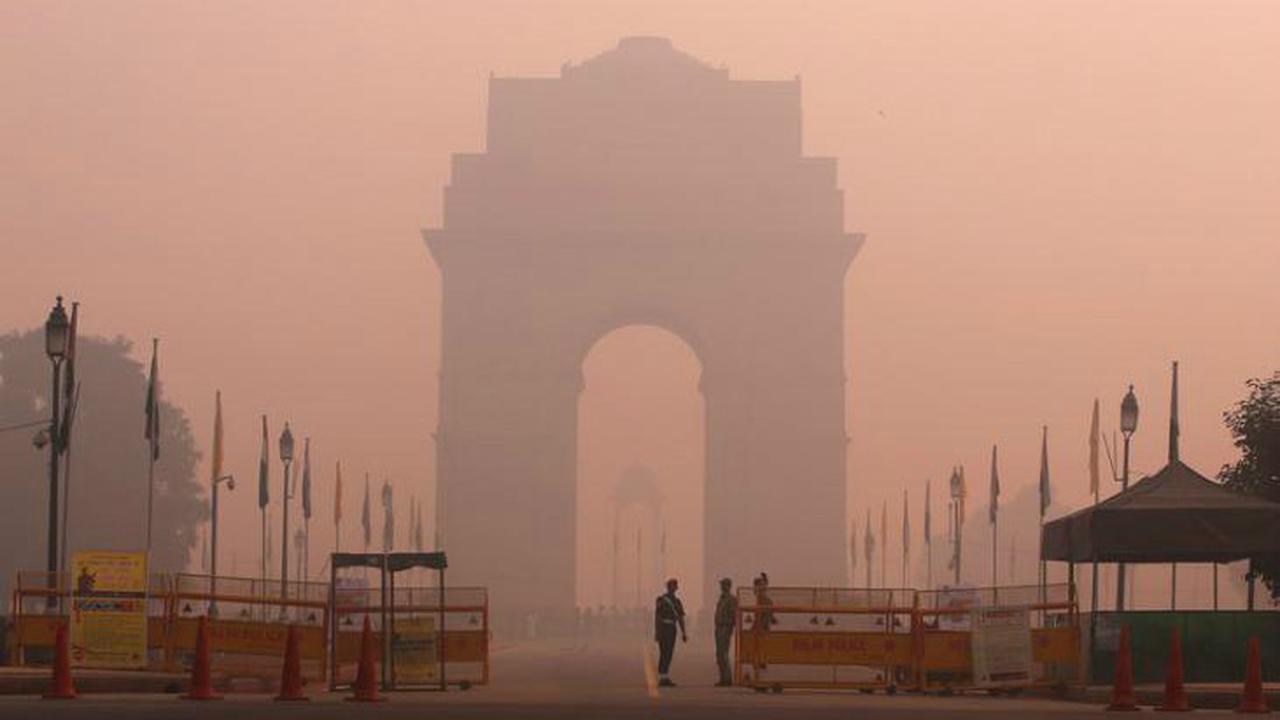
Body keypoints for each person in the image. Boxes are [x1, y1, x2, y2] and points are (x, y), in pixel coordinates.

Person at [653, 578, 687, 687]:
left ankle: (665, 676)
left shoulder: (677, 602)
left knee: (669, 652)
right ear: (668, 587)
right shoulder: (661, 600)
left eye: (674, 586)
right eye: (671, 586)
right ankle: (663, 676)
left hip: (672, 629)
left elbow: (680, 618)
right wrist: (657, 632)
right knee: (664, 652)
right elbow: (657, 617)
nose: (673, 588)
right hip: (663, 628)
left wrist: (684, 632)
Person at [713, 577, 738, 686]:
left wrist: (731, 627)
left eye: (723, 584)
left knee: (723, 654)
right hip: (719, 628)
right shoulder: (722, 598)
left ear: (728, 586)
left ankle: (727, 679)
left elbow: (734, 615)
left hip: (725, 627)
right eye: (721, 584)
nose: (721, 587)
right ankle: (723, 678)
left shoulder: (731, 599)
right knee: (719, 654)